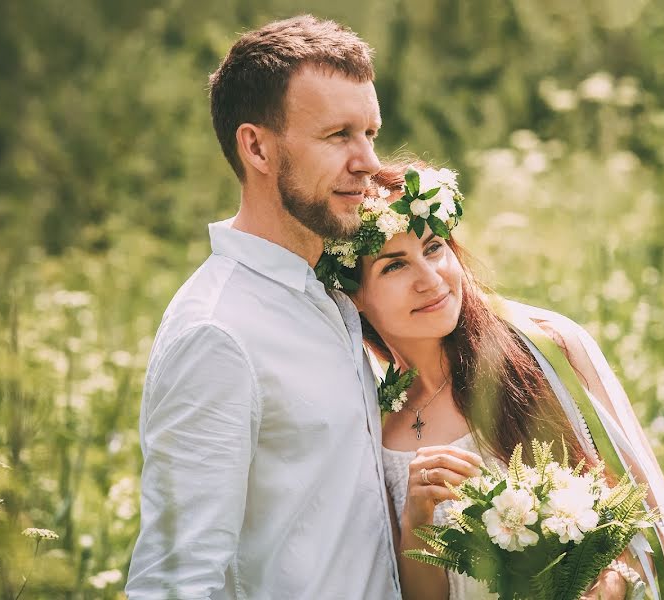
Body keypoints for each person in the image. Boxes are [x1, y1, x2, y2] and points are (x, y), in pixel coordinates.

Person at [317, 160, 664, 599]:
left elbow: (647, 510)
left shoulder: (544, 351)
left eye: (433, 248)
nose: (430, 279)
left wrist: (606, 586)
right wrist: (416, 520)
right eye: (394, 266)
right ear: (353, 295)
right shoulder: (378, 427)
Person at [125, 16, 401, 600]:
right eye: (338, 136)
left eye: (371, 133)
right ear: (256, 146)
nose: (369, 162)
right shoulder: (217, 333)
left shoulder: (335, 291)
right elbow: (172, 582)